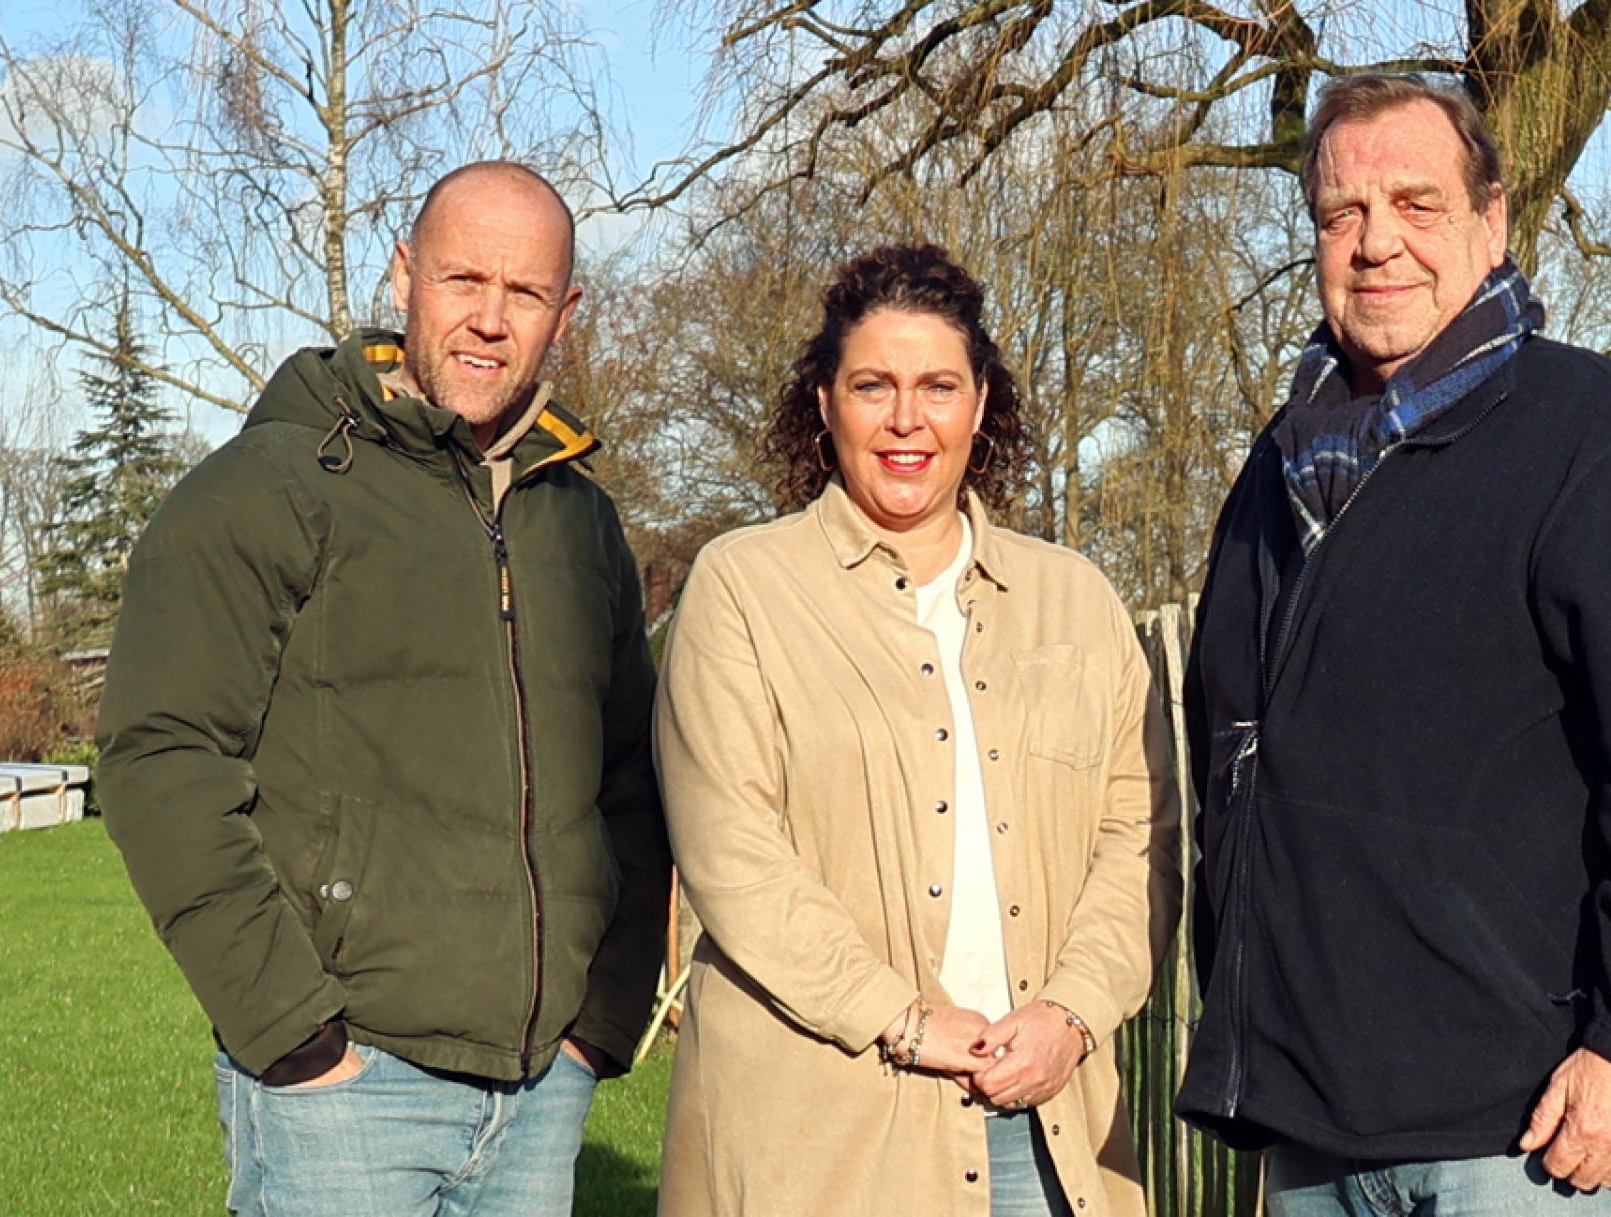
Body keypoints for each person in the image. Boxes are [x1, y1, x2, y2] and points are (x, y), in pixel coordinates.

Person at [1176, 73, 1611, 1217]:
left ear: (1491, 223)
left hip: (1528, 1134)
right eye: (1342, 214)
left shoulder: (1591, 438)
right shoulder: (1280, 473)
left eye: (1417, 202)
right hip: (1317, 1129)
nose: (1376, 243)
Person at [97, 161, 669, 1216]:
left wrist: (603, 1020)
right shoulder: (274, 487)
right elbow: (160, 758)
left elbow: (631, 782)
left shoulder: (580, 523)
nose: (491, 320)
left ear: (566, 311)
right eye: (463, 279)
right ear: (404, 273)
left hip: (542, 1092)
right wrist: (294, 1036)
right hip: (348, 1091)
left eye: (527, 292)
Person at [654, 244, 1182, 1216]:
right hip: (817, 1133)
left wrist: (1071, 1013)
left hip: (1045, 1129)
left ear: (981, 402)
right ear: (824, 400)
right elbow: (733, 853)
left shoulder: (1077, 602)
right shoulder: (743, 589)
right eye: (873, 385)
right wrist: (900, 1018)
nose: (908, 419)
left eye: (938, 385)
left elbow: (1138, 840)